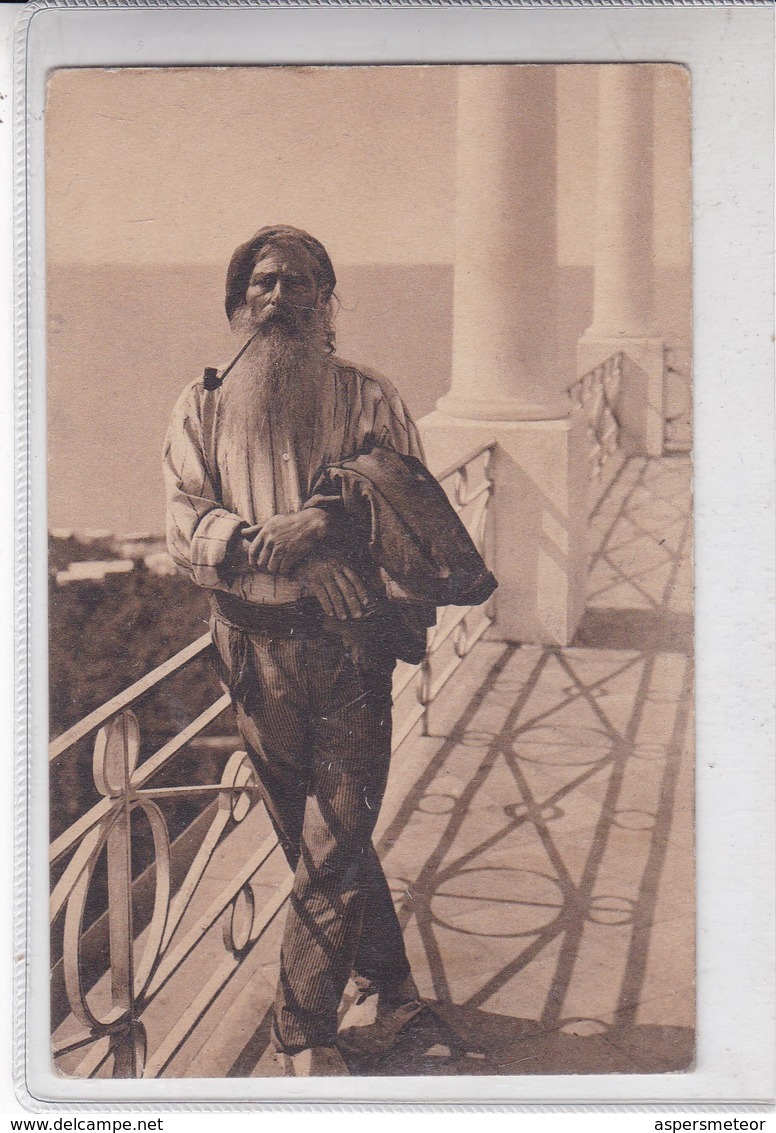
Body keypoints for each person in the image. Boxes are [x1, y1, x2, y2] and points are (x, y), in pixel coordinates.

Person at [163, 225, 495, 1076]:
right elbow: (183, 524)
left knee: (336, 839)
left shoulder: (368, 396)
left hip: (349, 654)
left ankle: (301, 1030)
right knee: (312, 840)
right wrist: (284, 552)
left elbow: (411, 508)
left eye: (300, 283)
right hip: (247, 651)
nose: (280, 297)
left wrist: (328, 520)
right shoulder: (198, 407)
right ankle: (391, 985)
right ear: (239, 302)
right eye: (265, 282)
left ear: (326, 299)